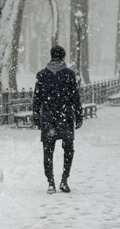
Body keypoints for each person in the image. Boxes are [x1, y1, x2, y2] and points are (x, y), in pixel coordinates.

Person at [32, 45, 83, 194]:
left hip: (48, 117)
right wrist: (78, 115)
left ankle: (50, 182)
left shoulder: (42, 75)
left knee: (48, 151)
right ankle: (64, 179)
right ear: (63, 57)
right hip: (65, 117)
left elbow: (37, 98)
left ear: (51, 56)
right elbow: (75, 97)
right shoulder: (69, 74)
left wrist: (36, 115)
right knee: (68, 149)